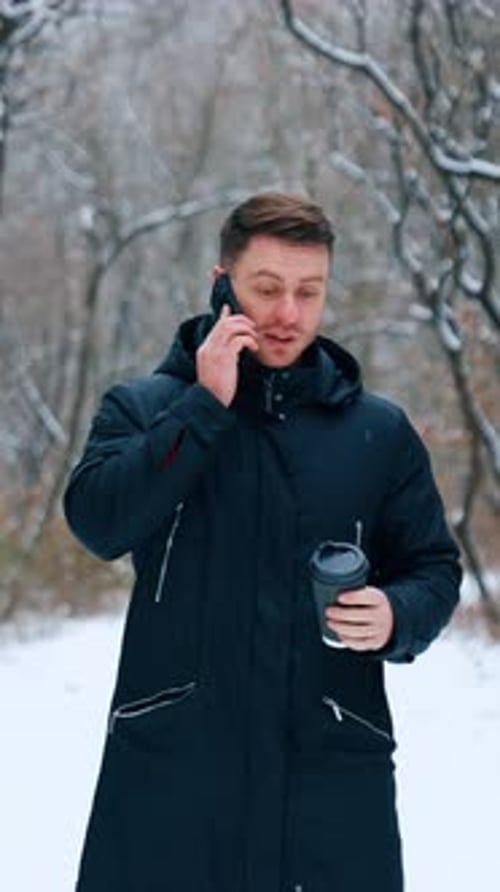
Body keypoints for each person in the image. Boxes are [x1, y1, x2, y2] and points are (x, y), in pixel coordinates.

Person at [64, 192, 461, 892]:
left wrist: (399, 613)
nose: (288, 314)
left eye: (309, 292)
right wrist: (203, 407)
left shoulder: (378, 434)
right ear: (222, 284)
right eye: (268, 288)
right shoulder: (146, 408)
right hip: (174, 783)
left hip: (329, 783)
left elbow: (433, 567)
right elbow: (99, 522)